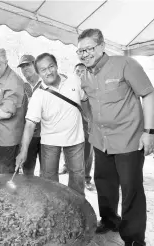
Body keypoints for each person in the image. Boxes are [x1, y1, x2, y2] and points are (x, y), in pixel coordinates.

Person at [77, 28, 154, 246]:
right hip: (101, 141)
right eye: (80, 51)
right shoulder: (84, 75)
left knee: (131, 189)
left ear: (102, 47)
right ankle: (110, 220)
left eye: (89, 49)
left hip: (129, 139)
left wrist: (149, 132)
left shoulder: (125, 64)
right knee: (104, 184)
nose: (85, 54)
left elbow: (148, 94)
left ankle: (133, 237)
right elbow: (88, 108)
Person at [15, 53, 87, 196]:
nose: (48, 72)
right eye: (43, 70)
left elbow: (85, 99)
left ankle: (77, 209)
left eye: (51, 67)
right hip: (50, 141)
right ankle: (53, 208)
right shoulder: (38, 95)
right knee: (48, 180)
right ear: (39, 73)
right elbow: (30, 125)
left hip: (76, 139)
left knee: (77, 178)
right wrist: (23, 151)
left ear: (56, 65)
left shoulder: (74, 81)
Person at [59, 63, 95, 191]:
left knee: (87, 151)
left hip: (87, 123)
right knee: (68, 146)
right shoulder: (69, 86)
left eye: (82, 71)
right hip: (71, 123)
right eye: (77, 71)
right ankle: (66, 166)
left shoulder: (90, 86)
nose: (80, 73)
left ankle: (86, 178)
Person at [17, 54, 42, 176]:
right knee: (27, 172)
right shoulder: (21, 86)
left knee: (48, 173)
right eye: (22, 66)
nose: (25, 68)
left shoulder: (45, 83)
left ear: (35, 65)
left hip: (46, 134)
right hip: (28, 135)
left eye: (28, 65)